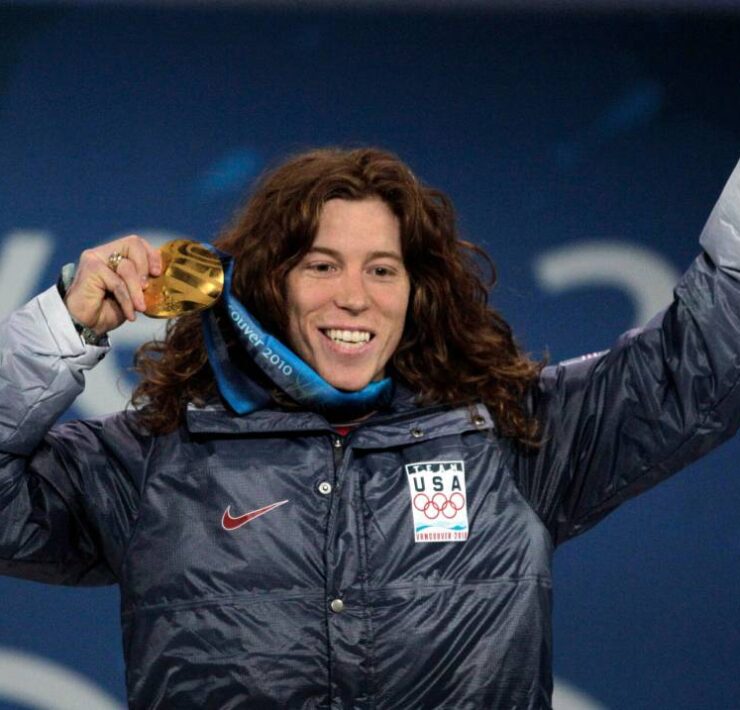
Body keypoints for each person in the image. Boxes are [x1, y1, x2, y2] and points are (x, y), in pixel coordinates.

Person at [1, 147, 739, 710]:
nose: (355, 297)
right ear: (268, 284)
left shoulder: (511, 436)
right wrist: (60, 327)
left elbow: (700, 365)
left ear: (418, 291)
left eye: (382, 270)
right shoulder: (153, 459)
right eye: (322, 266)